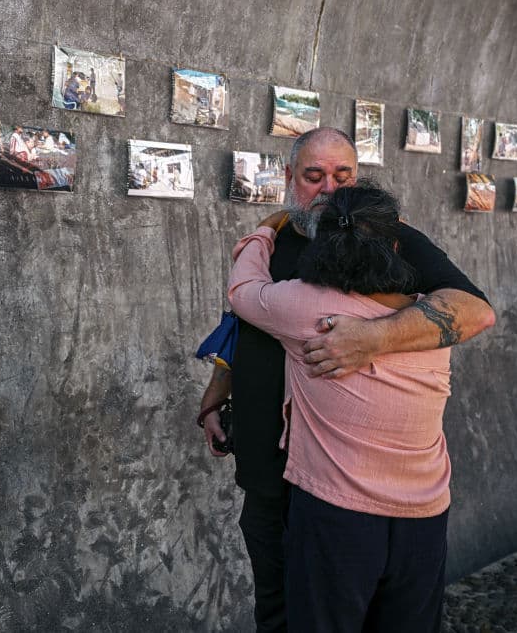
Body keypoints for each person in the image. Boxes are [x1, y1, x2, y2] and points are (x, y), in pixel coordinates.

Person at [198, 128, 494, 632]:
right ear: (289, 177)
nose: (330, 189)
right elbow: (239, 319)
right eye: (314, 176)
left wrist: (373, 338)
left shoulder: (390, 236)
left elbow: (473, 309)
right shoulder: (274, 241)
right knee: (277, 608)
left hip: (332, 488)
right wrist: (217, 394)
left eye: (343, 176)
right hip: (267, 464)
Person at [229, 183, 456, 631]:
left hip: (336, 517)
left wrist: (265, 230)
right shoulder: (432, 320)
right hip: (425, 516)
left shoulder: (303, 308)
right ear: (396, 246)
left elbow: (243, 288)